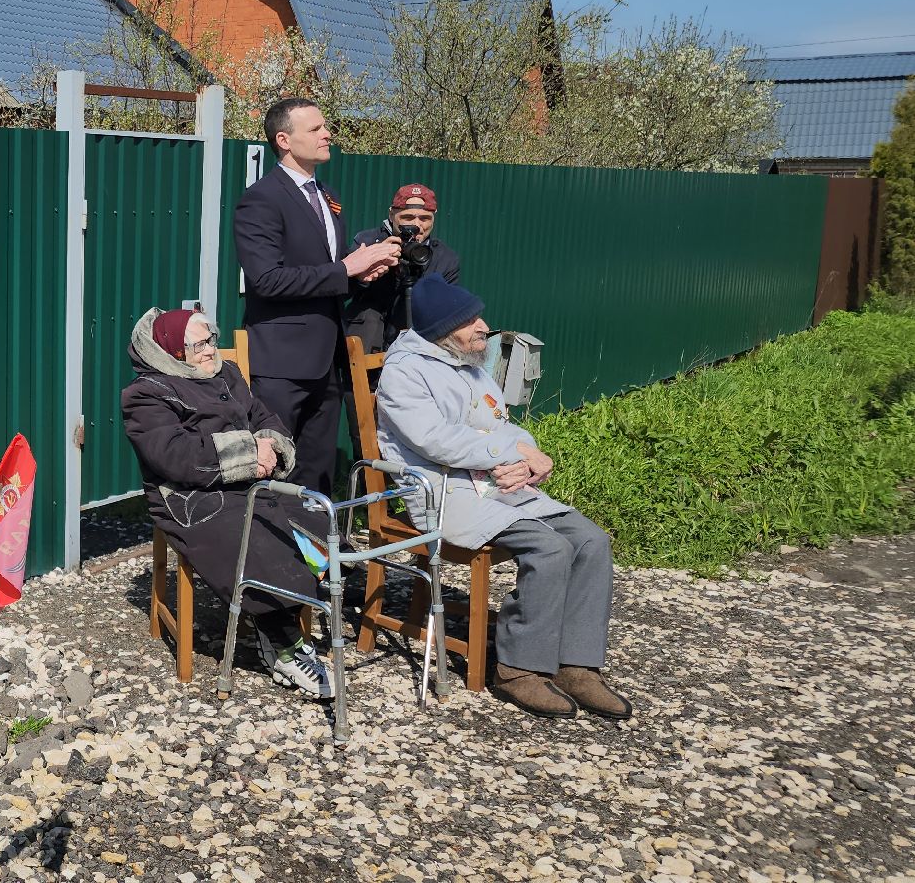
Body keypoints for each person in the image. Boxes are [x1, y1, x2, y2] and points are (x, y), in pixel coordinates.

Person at [374, 276, 632, 721]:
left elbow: (501, 423)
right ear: (443, 327)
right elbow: (436, 441)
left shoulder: (469, 363)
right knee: (550, 547)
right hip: (443, 491)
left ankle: (577, 665)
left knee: (592, 541)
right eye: (471, 320)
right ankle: (517, 670)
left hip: (494, 482)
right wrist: (506, 454)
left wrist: (526, 456)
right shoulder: (405, 373)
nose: (483, 327)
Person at [120, 306, 336, 697]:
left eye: (211, 339)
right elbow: (175, 455)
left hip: (249, 481)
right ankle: (287, 646)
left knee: (316, 522)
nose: (209, 350)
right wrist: (250, 452)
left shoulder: (227, 373)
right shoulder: (147, 393)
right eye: (197, 344)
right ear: (172, 351)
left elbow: (262, 414)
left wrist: (270, 446)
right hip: (190, 495)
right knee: (252, 540)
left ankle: (288, 618)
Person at [233, 97, 400, 495]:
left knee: (317, 471)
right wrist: (347, 268)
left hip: (327, 358)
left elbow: (324, 272)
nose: (328, 134)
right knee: (274, 471)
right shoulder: (262, 199)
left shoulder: (326, 194)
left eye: (325, 127)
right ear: (284, 140)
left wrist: (359, 275)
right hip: (281, 363)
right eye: (315, 129)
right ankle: (270, 554)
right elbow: (267, 280)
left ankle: (317, 555)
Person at [347, 182, 463, 352]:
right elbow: (341, 290)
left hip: (416, 345)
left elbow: (447, 313)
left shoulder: (445, 258)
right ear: (392, 214)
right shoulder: (368, 242)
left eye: (425, 219)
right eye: (408, 218)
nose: (417, 226)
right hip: (365, 341)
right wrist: (370, 266)